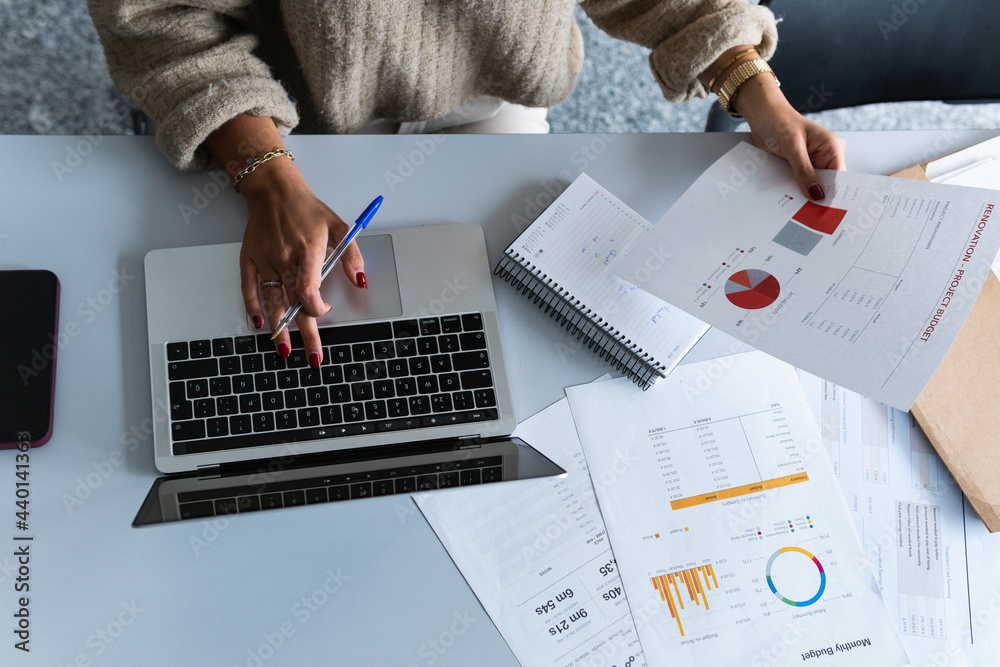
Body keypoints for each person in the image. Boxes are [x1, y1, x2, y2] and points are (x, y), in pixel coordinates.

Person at [89, 0, 846, 367]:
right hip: (292, 113)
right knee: (287, 357)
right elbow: (160, 20)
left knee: (522, 355)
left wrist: (756, 88)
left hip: (492, 95)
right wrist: (261, 172)